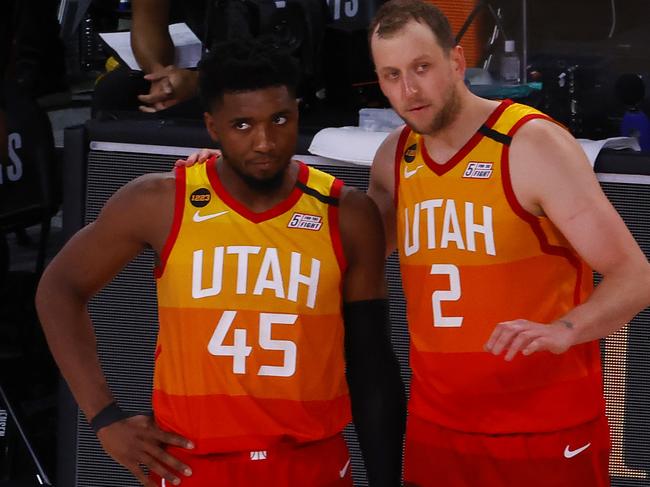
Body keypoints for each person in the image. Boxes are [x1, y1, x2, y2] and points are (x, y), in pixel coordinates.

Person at [36, 39, 405, 487]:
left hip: (309, 464)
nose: (264, 141)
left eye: (280, 119)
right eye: (242, 125)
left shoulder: (346, 213)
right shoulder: (159, 201)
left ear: (298, 114)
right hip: (194, 466)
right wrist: (104, 418)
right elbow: (59, 289)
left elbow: (372, 367)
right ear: (212, 126)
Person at [365, 1, 650, 486]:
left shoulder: (531, 144)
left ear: (457, 62)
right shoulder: (395, 156)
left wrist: (566, 328)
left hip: (542, 431)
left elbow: (636, 275)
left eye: (421, 67)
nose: (408, 90)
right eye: (391, 75)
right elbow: (350, 249)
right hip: (438, 432)